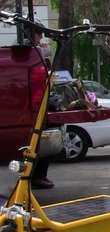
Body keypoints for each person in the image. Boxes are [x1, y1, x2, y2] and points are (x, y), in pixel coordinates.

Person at [30, 21, 54, 189]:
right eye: (39, 34)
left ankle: (39, 175)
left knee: (42, 139)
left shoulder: (37, 52)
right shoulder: (33, 52)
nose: (40, 38)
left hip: (40, 101)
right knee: (40, 140)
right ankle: (36, 175)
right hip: (36, 103)